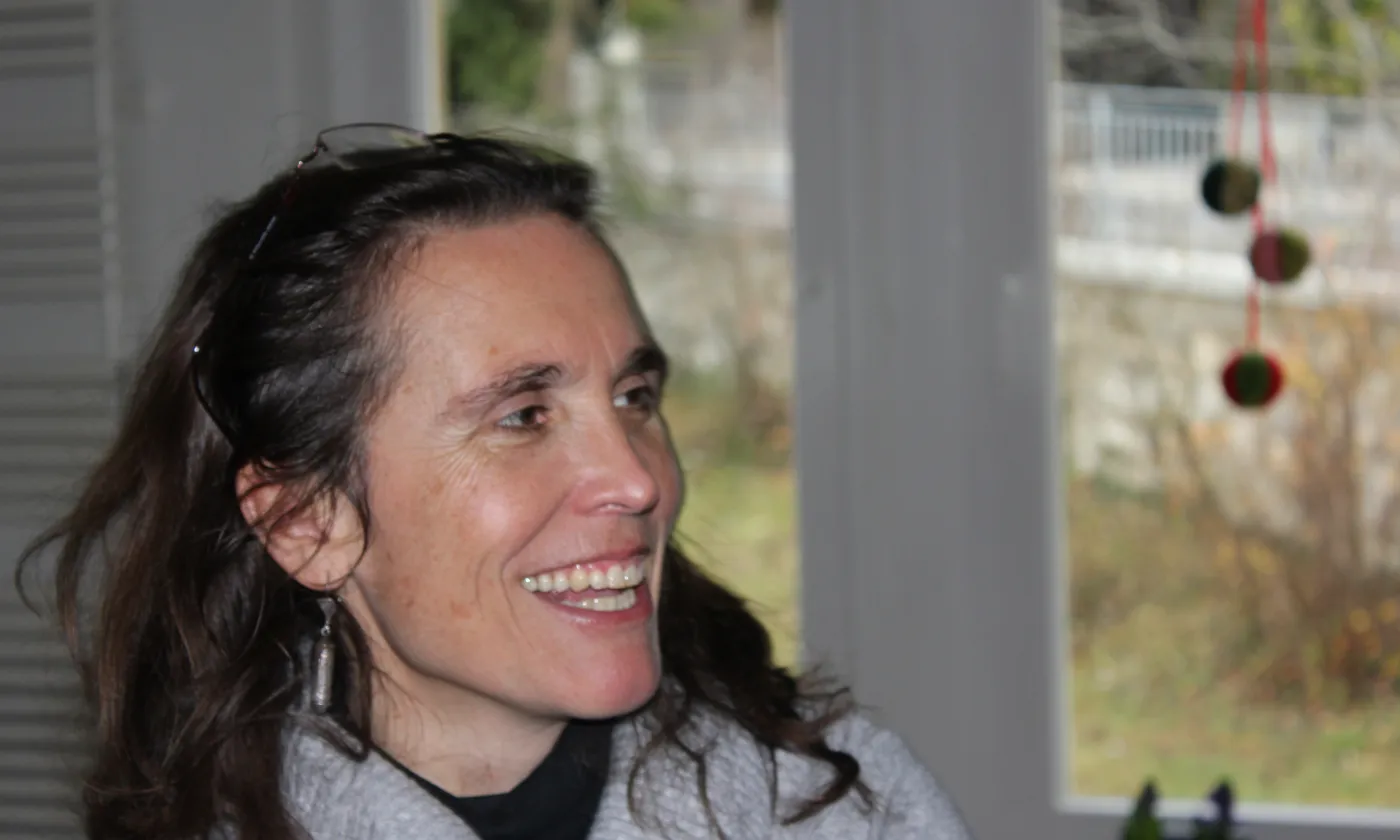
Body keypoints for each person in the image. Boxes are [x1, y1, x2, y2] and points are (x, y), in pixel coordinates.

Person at [17, 124, 973, 840]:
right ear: (307, 521)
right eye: (523, 416)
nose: (636, 479)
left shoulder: (841, 804)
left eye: (634, 396)